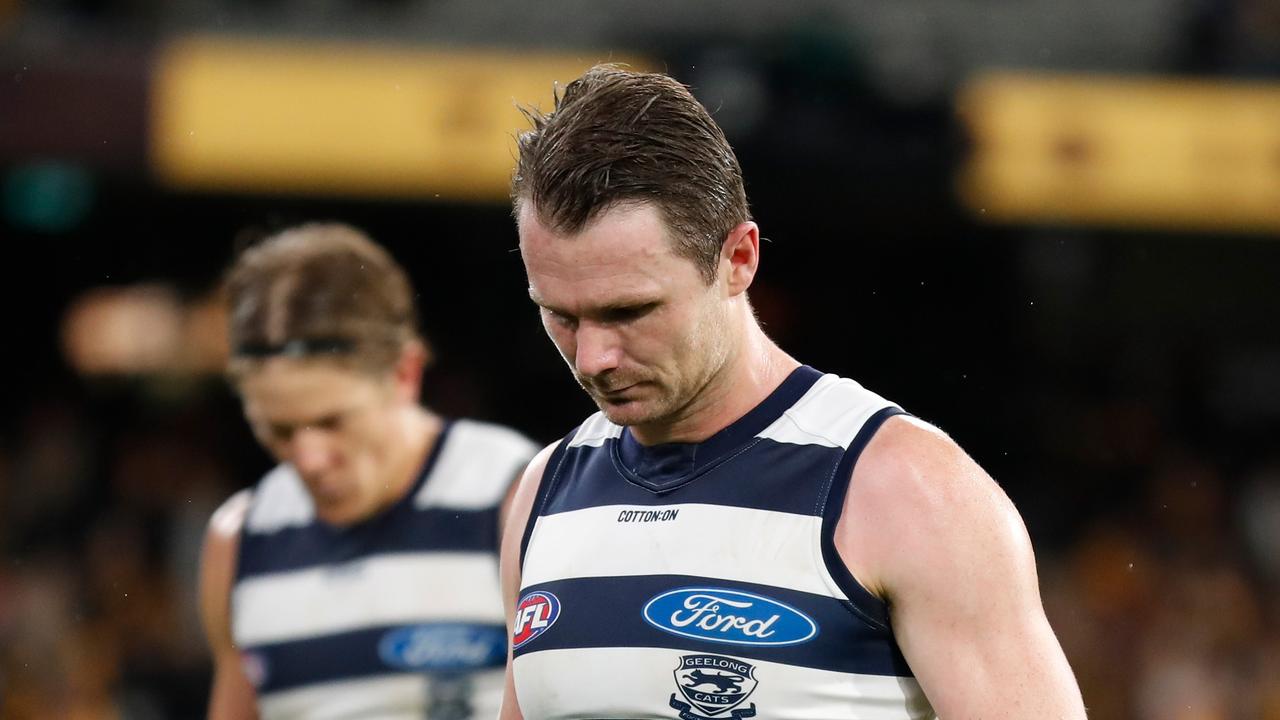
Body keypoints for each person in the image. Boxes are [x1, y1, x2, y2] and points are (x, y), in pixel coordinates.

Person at [498, 66, 1087, 719]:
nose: (593, 357)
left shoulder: (905, 490)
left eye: (629, 311)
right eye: (561, 315)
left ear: (739, 259)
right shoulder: (541, 495)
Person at [199, 222, 537, 719]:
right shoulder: (239, 541)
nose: (309, 459)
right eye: (279, 431)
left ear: (405, 373)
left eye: (332, 422)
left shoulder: (518, 498)